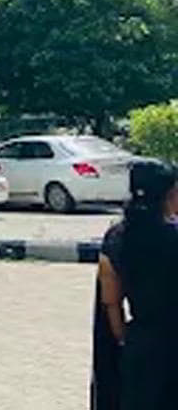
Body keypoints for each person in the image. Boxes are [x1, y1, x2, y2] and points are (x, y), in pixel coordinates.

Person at [96, 159, 178, 409]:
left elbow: (111, 301)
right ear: (170, 193)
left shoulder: (116, 237)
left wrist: (124, 338)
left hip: (141, 349)